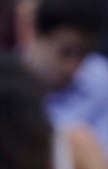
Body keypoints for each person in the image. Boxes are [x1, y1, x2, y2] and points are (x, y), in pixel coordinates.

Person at [17, 0, 108, 156]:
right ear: (34, 34)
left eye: (84, 54)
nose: (74, 67)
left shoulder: (101, 81)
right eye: (66, 52)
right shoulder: (0, 83)